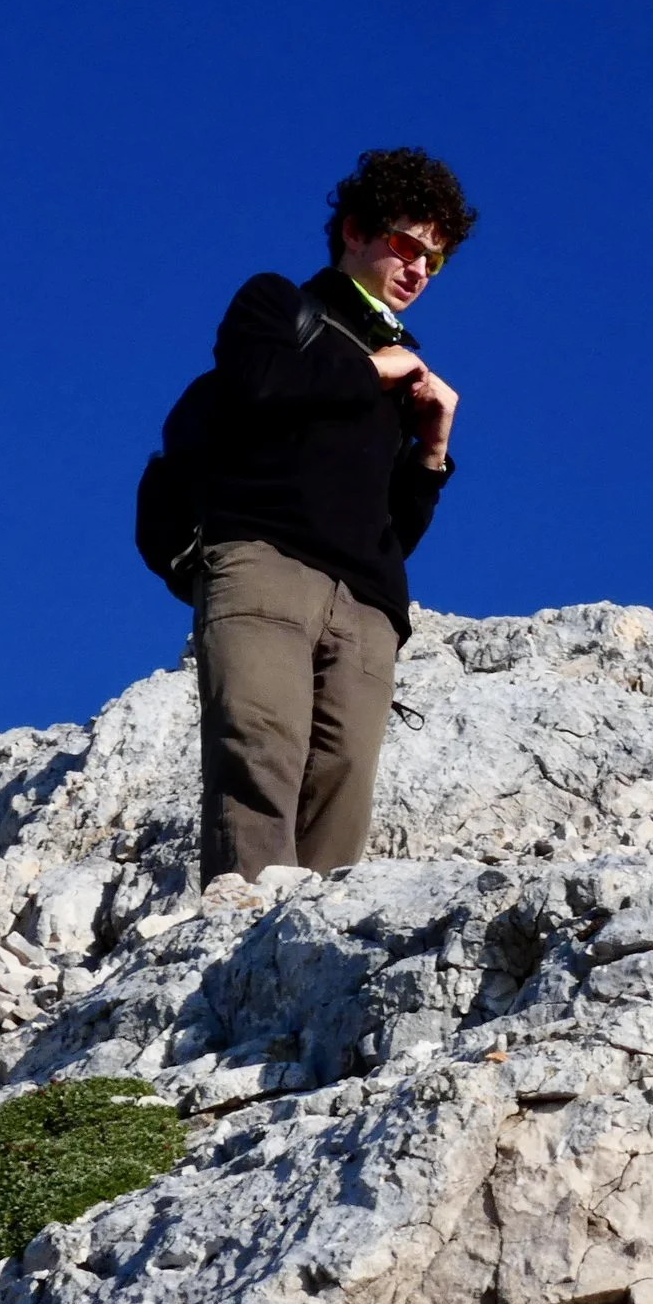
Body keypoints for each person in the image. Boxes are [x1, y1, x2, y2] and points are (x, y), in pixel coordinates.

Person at [192, 147, 475, 882]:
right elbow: (256, 382)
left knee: (344, 791)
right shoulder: (277, 305)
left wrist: (432, 453)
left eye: (433, 260)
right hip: (264, 560)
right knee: (259, 749)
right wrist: (369, 370)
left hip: (367, 605)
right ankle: (239, 953)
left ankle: (304, 965)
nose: (417, 269)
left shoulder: (406, 376)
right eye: (406, 245)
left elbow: (395, 532)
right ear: (354, 230)